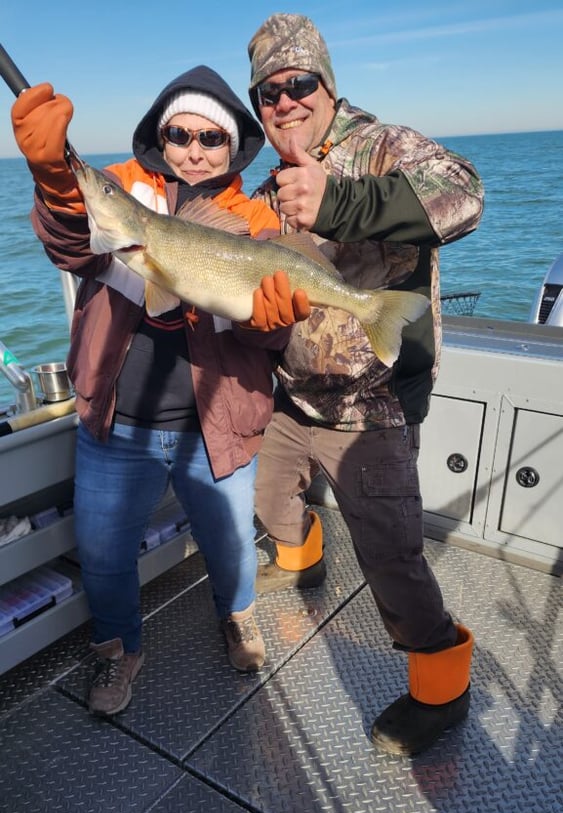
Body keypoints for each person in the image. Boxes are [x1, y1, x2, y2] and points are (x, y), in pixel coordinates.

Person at [11, 64, 300, 715]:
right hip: (119, 424)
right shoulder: (119, 189)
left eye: (212, 138)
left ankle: (238, 616)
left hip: (217, 425)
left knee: (230, 550)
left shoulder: (254, 218)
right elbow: (70, 243)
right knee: (105, 555)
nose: (194, 150)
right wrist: (55, 179)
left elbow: (268, 340)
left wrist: (273, 323)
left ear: (234, 147)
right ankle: (117, 650)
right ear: (159, 137)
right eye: (179, 134)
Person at [245, 13, 485, 756]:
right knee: (269, 503)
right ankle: (302, 560)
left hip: (373, 407)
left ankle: (440, 688)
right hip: (291, 394)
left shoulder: (383, 146)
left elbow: (465, 197)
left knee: (390, 556)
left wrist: (340, 202)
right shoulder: (265, 183)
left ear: (326, 84)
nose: (285, 102)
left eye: (298, 84)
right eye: (268, 93)